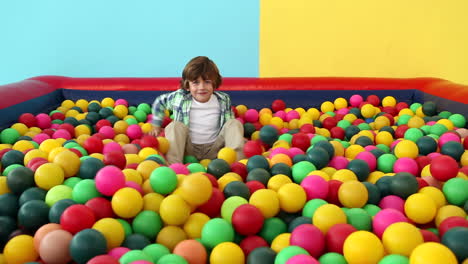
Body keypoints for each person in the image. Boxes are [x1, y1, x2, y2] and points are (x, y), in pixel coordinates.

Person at [149, 56, 245, 164]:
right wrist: (156, 125)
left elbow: (228, 126)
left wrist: (237, 139)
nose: (202, 87)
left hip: (216, 150)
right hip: (187, 149)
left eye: (207, 82)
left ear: (214, 83)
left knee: (234, 123)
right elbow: (160, 101)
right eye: (196, 82)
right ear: (187, 85)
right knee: (175, 126)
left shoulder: (223, 99)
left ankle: (237, 165)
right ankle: (174, 165)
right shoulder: (179, 98)